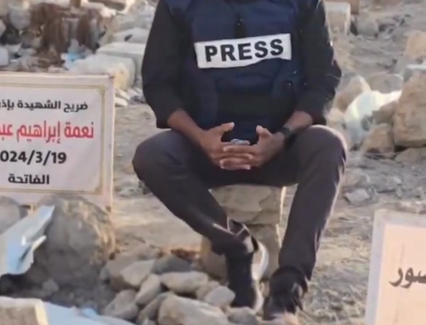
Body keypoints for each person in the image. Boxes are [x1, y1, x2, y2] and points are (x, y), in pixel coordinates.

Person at [132, 0, 345, 322]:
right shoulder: (179, 6)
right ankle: (238, 248)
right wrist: (201, 138)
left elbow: (323, 81)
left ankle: (287, 293)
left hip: (279, 147)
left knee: (329, 146)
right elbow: (158, 85)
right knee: (151, 156)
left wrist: (283, 136)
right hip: (207, 149)